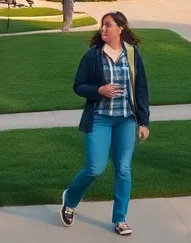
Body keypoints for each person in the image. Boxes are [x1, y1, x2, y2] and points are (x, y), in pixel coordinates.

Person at [60, 12, 151, 236]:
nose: (103, 29)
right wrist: (98, 91)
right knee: (95, 168)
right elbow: (78, 86)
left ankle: (120, 219)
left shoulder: (132, 54)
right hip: (99, 118)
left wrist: (143, 121)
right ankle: (70, 199)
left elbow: (140, 89)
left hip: (126, 120)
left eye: (108, 25)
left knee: (123, 169)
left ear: (120, 28)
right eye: (102, 25)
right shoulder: (93, 56)